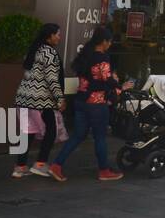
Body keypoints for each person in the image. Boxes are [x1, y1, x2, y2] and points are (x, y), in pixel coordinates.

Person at [48, 27, 125, 181]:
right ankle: (104, 170)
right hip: (96, 103)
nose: (110, 45)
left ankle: (56, 165)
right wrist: (120, 86)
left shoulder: (85, 55)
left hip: (81, 100)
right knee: (100, 137)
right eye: (109, 42)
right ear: (104, 42)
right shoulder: (102, 58)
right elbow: (106, 79)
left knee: (77, 135)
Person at [12, 23, 65, 178]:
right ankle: (40, 163)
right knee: (51, 130)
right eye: (57, 34)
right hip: (40, 100)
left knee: (27, 132)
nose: (59, 37)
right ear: (49, 36)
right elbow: (51, 79)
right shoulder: (49, 53)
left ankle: (20, 167)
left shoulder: (33, 49)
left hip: (23, 98)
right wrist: (60, 98)